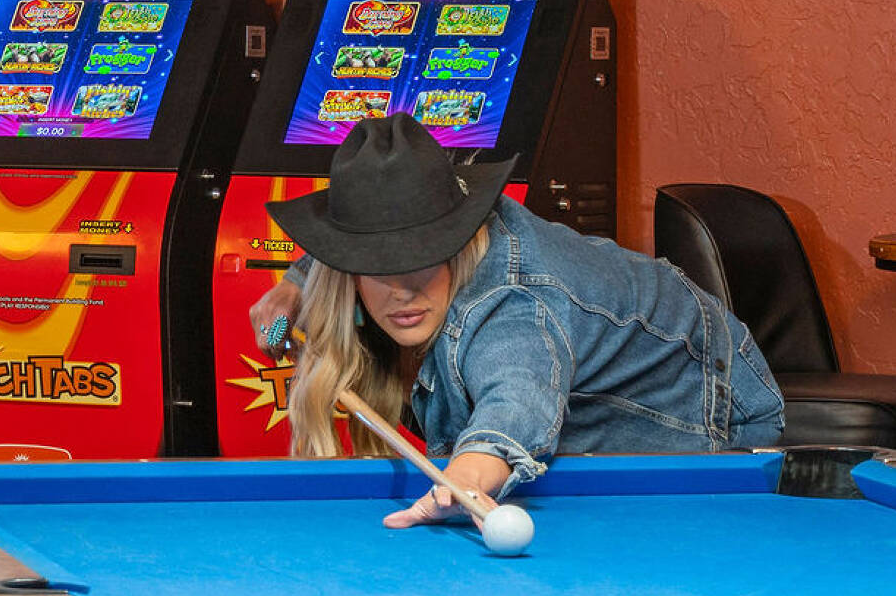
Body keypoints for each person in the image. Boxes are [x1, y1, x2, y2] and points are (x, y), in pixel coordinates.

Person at [255, 114, 784, 530]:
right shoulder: (434, 220)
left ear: (454, 238)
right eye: (375, 266)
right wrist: (294, 287)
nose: (401, 291)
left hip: (694, 390)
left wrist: (463, 479)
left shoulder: (513, 307)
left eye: (421, 257)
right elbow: (358, 239)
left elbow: (517, 400)